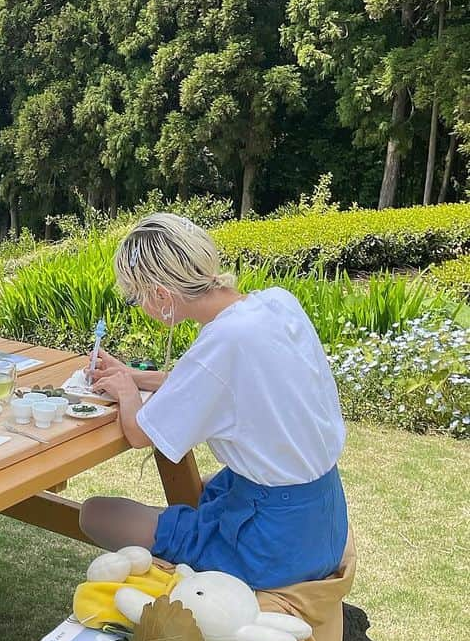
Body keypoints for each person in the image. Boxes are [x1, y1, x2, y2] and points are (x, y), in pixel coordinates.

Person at [79, 213, 348, 590]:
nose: (140, 306)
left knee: (96, 515)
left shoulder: (224, 341)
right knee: (194, 490)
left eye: (136, 296)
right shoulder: (276, 303)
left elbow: (140, 434)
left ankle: (189, 583)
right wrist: (133, 375)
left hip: (273, 544)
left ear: (161, 294)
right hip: (326, 517)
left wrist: (126, 391)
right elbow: (216, 381)